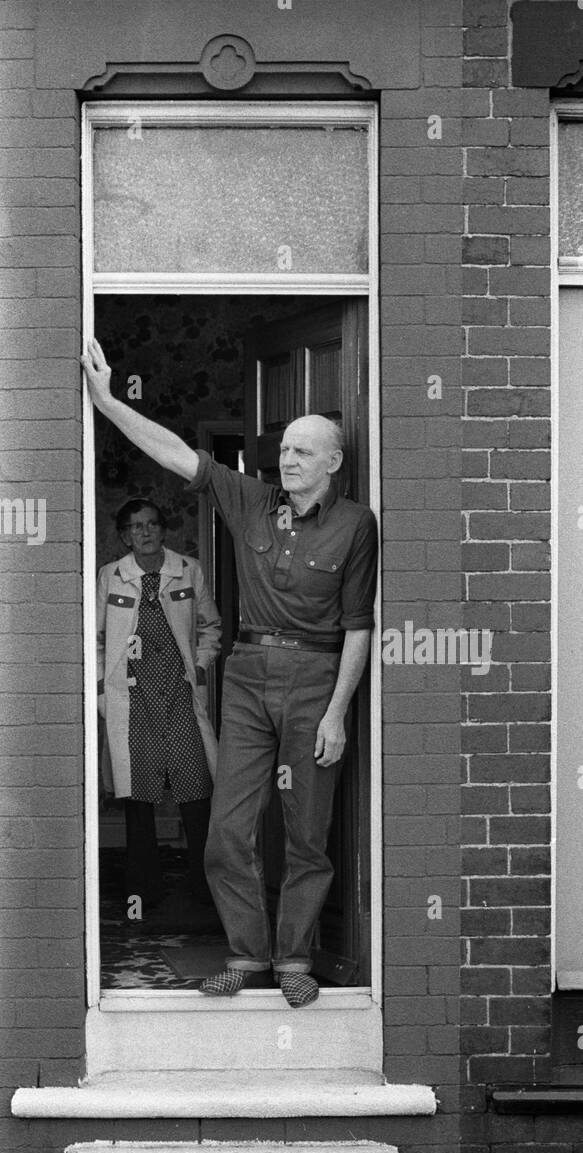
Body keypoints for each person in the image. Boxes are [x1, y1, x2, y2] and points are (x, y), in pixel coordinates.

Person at [82, 338, 378, 1009]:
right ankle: (247, 954)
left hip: (316, 678)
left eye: (304, 450)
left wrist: (337, 711)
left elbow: (359, 626)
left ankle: (295, 958)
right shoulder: (248, 500)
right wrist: (106, 404)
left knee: (308, 830)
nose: (289, 458)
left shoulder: (358, 526)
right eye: (285, 449)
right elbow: (172, 450)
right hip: (246, 675)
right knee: (227, 828)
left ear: (333, 462)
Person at [97, 497, 222, 915]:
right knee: (139, 797)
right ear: (124, 535)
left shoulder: (188, 570)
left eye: (151, 524)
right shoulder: (111, 576)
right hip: (132, 699)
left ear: (163, 529)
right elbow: (97, 639)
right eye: (135, 527)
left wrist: (201, 667)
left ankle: (207, 891)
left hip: (179, 694)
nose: (144, 532)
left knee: (196, 794)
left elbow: (210, 627)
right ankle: (143, 892)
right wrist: (101, 690)